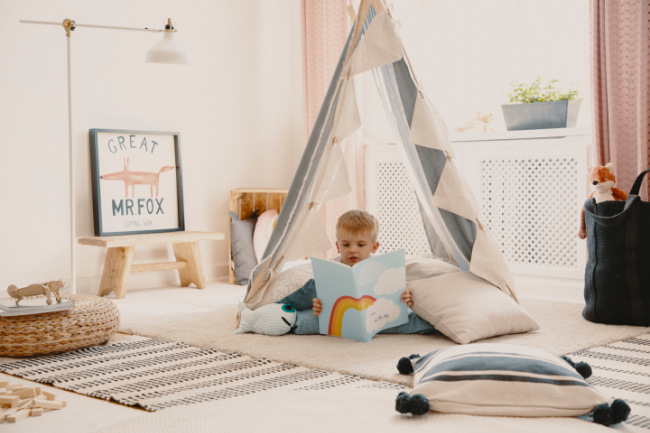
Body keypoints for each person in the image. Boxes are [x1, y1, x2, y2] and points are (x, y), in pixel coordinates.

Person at [277, 209, 437, 335]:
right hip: (342, 318)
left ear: (373, 247)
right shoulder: (332, 267)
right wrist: (319, 306)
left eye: (361, 245)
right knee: (305, 314)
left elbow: (396, 298)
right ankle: (278, 311)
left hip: (377, 320)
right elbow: (323, 302)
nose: (353, 250)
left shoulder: (383, 267)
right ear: (338, 246)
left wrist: (404, 298)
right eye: (346, 245)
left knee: (420, 321)